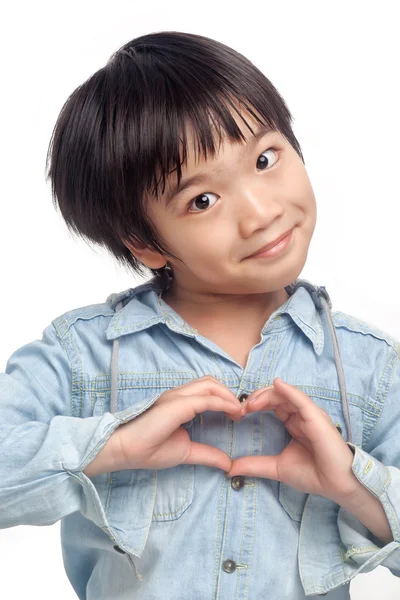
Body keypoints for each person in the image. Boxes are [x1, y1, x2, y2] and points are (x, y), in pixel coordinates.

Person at [1, 31, 399, 600]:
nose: (262, 213)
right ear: (144, 243)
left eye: (265, 159)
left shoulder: (369, 367)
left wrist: (357, 487)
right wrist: (110, 449)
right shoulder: (82, 357)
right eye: (202, 201)